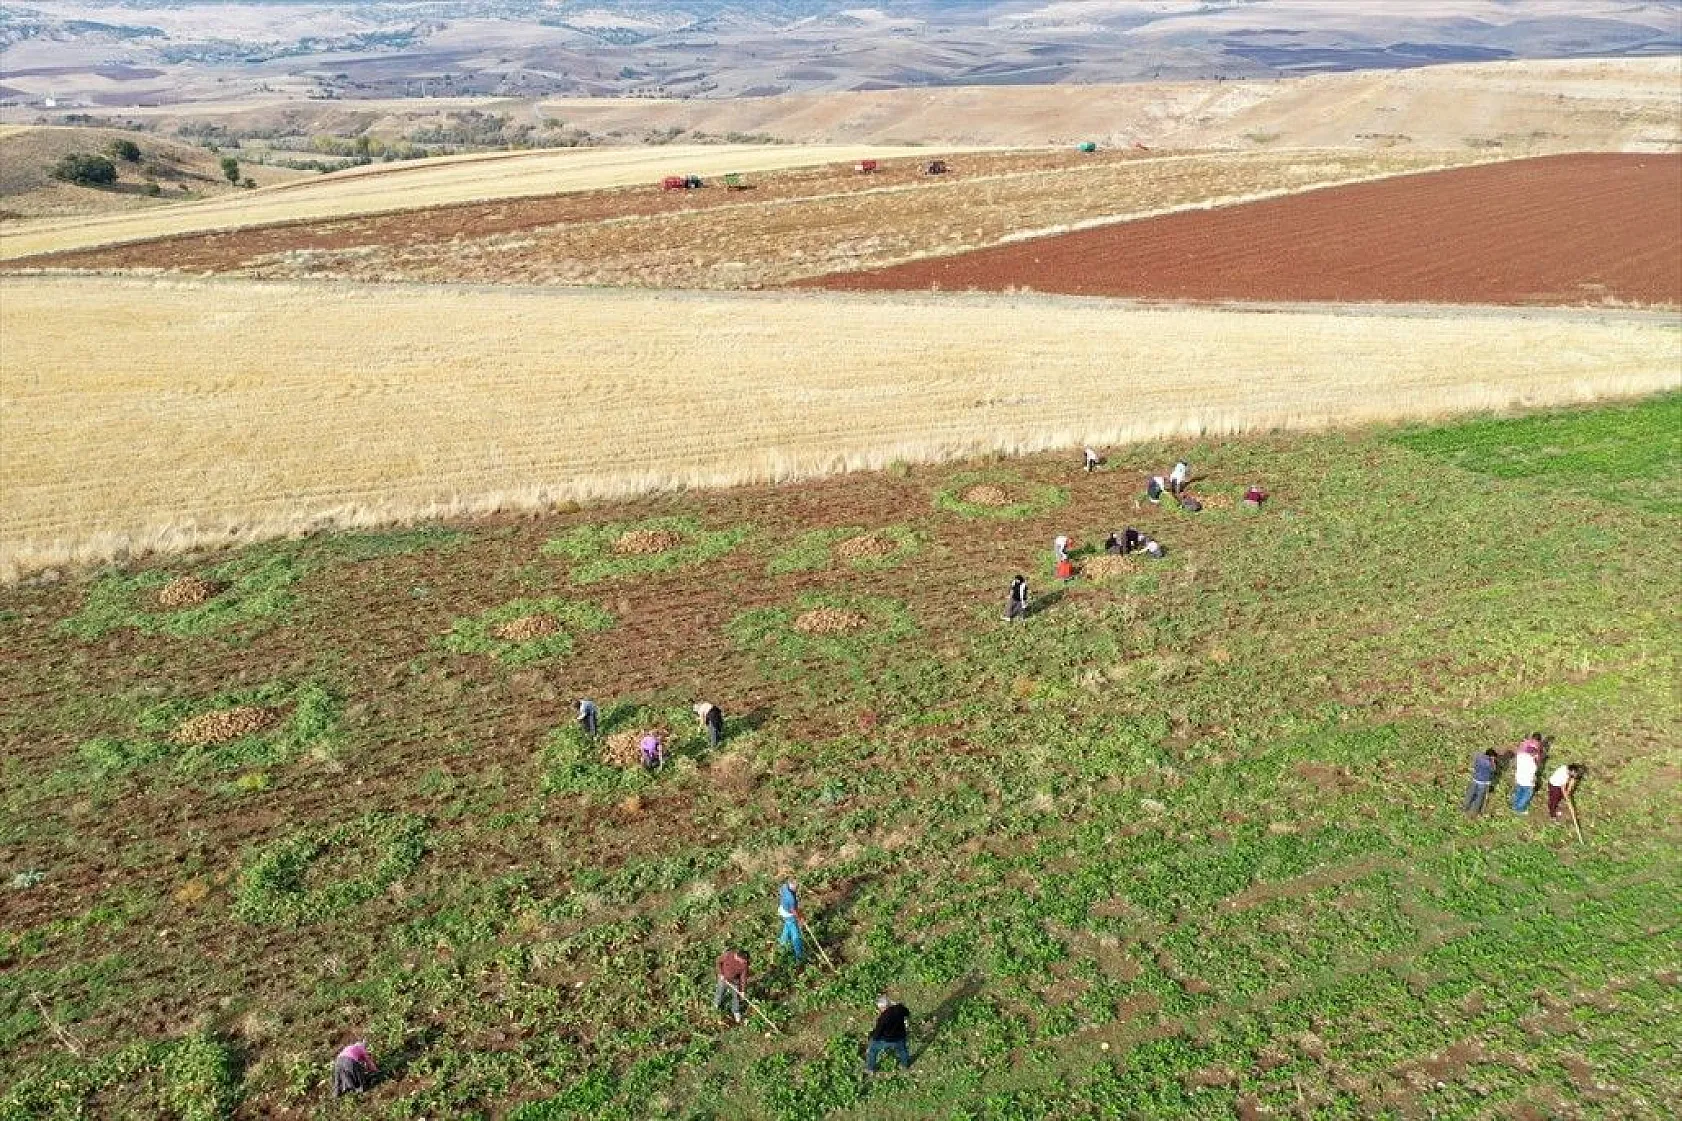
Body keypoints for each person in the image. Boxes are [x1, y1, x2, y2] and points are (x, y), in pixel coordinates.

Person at [865, 995, 912, 1073]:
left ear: (883, 1007)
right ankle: (905, 1065)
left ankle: (870, 1068)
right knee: (902, 1050)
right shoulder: (899, 1008)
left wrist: (871, 1037)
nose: (880, 1010)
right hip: (900, 1037)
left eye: (880, 1008)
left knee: (872, 1049)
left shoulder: (883, 1018)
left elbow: (877, 1033)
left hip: (886, 1040)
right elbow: (907, 1012)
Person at [715, 947, 751, 1024]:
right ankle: (715, 1007)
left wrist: (743, 991)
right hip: (723, 978)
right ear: (738, 957)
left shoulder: (744, 964)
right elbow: (718, 962)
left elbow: (743, 978)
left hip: (735, 981)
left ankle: (736, 1012)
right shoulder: (728, 955)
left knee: (736, 997)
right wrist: (720, 973)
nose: (744, 962)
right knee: (720, 993)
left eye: (745, 961)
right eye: (743, 961)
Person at [1463, 747, 1498, 815]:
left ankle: (1464, 806)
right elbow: (1493, 770)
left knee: (1470, 793)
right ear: (1491, 756)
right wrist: (1493, 761)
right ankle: (1474, 811)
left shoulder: (1479, 758)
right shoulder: (1490, 763)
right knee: (1479, 797)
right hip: (1483, 783)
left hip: (1475, 779)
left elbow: (1475, 766)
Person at [777, 877, 805, 962]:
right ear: (791, 885)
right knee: (795, 934)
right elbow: (794, 911)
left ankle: (782, 942)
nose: (797, 889)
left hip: (782, 910)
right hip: (789, 915)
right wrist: (800, 919)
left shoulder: (784, 886)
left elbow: (780, 891)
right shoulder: (791, 898)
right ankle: (799, 955)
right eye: (796, 887)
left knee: (787, 926)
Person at [1511, 741, 1540, 813]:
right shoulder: (1532, 763)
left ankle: (1514, 805)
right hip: (1527, 782)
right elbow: (1533, 773)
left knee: (1518, 793)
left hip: (1518, 779)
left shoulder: (1520, 756)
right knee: (1525, 796)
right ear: (1533, 754)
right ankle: (1519, 809)